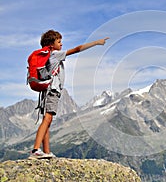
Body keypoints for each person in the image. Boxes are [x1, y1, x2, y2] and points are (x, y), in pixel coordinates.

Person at [29, 30, 109, 159]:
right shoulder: (55, 54)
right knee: (47, 119)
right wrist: (96, 42)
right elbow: (76, 49)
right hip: (52, 90)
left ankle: (46, 151)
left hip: (47, 90)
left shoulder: (49, 56)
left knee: (47, 121)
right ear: (51, 44)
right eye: (59, 41)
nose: (61, 44)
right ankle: (35, 150)